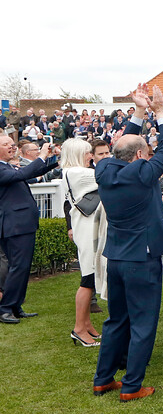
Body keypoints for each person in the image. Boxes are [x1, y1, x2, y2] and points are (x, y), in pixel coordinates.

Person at [93, 83, 163, 402]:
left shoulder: (105, 169)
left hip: (116, 258)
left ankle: (103, 379)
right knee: (143, 324)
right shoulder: (142, 172)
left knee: (117, 320)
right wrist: (158, 112)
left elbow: (122, 147)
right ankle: (131, 386)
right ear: (141, 156)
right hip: (141, 260)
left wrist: (139, 113)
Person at [0, 136, 57, 324]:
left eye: (11, 143)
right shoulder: (2, 168)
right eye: (6, 144)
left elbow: (32, 174)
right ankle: (6, 308)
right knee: (18, 267)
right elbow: (23, 175)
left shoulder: (8, 167)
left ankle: (15, 306)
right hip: (15, 226)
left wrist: (52, 160)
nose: (12, 146)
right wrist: (40, 156)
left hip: (21, 224)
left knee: (22, 267)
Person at [61, 138, 106, 346]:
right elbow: (109, 174)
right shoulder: (77, 173)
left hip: (88, 227)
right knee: (87, 280)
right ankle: (79, 328)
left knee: (90, 278)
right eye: (89, 152)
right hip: (87, 229)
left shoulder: (73, 172)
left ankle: (87, 325)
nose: (92, 156)